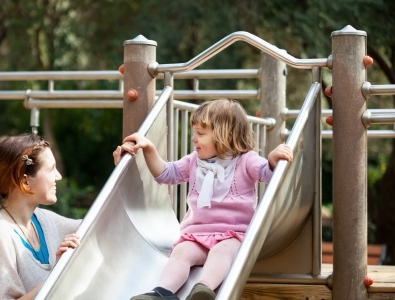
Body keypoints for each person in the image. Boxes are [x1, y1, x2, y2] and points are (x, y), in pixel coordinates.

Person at [113, 99, 294, 300]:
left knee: (221, 253)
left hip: (233, 235)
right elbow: (167, 174)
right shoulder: (193, 161)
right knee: (181, 253)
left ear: (227, 135)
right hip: (197, 234)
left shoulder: (245, 160)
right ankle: (162, 293)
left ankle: (203, 289)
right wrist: (148, 148)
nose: (194, 139)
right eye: (194, 132)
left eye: (201, 134)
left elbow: (266, 173)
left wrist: (272, 159)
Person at [0, 133, 81, 300]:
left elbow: (98, 226)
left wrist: (125, 165)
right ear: (25, 182)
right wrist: (56, 274)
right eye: (51, 169)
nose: (58, 176)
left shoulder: (43, 219)